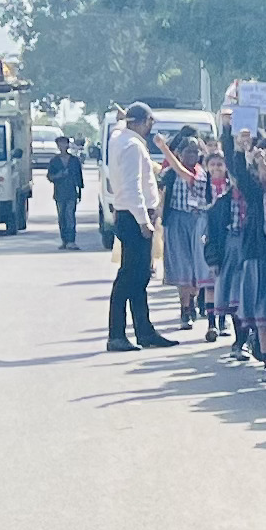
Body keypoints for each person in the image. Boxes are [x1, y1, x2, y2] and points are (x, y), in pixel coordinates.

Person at [103, 102, 170, 352]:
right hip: (134, 217)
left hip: (127, 214)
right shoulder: (132, 146)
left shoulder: (119, 137)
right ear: (145, 122)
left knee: (139, 276)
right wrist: (144, 221)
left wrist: (122, 119)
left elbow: (120, 126)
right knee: (129, 277)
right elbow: (133, 189)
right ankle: (117, 334)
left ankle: (144, 330)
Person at [161, 135, 215, 328]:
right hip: (177, 220)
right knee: (182, 265)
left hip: (199, 221)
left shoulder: (205, 173)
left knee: (198, 265)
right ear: (179, 154)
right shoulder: (170, 173)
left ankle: (196, 299)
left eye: (195, 151)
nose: (192, 155)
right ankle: (186, 307)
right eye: (188, 151)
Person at [44, 134, 88, 249]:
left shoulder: (74, 160)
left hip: (71, 192)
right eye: (60, 144)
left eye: (65, 143)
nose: (63, 146)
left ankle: (71, 240)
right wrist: (58, 175)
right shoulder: (54, 161)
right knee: (61, 217)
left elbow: (79, 177)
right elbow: (50, 176)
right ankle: (64, 240)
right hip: (59, 193)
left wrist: (80, 192)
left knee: (70, 216)